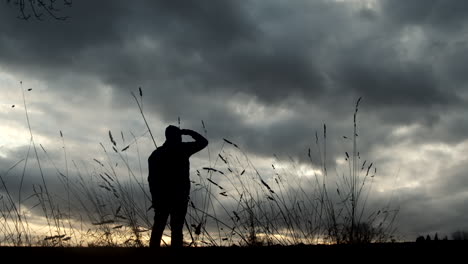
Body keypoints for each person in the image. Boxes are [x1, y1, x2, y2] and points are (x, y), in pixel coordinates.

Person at [148, 125, 208, 248]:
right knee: (177, 229)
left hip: (161, 197)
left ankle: (152, 255)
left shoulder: (155, 154)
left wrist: (154, 198)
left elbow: (151, 180)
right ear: (178, 137)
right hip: (179, 196)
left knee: (158, 227)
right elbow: (203, 142)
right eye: (179, 135)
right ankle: (175, 256)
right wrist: (188, 132)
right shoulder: (183, 149)